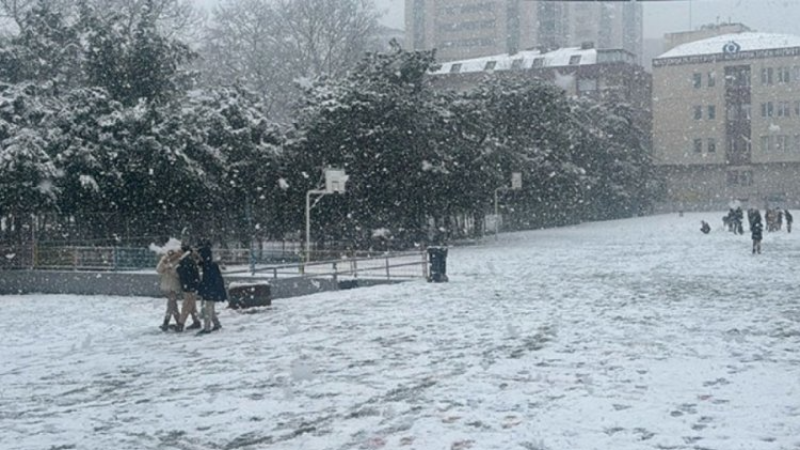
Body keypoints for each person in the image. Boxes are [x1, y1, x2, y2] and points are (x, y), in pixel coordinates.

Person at [196, 245, 226, 335]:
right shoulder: (210, 264)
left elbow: (210, 280)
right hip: (212, 289)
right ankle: (216, 324)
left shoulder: (209, 266)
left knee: (208, 308)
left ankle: (207, 327)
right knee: (210, 308)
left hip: (211, 290)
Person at [175, 246, 202, 332]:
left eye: (179, 251)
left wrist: (178, 268)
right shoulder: (188, 259)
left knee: (186, 305)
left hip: (189, 286)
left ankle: (180, 324)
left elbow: (185, 274)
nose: (178, 252)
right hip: (191, 286)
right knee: (191, 305)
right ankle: (196, 321)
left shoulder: (185, 260)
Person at [156, 249, 182, 331]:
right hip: (167, 284)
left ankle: (166, 322)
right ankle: (179, 322)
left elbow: (178, 274)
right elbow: (158, 270)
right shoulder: (165, 259)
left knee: (170, 304)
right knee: (173, 306)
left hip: (174, 285)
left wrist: (171, 269)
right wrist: (163, 263)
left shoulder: (179, 260)